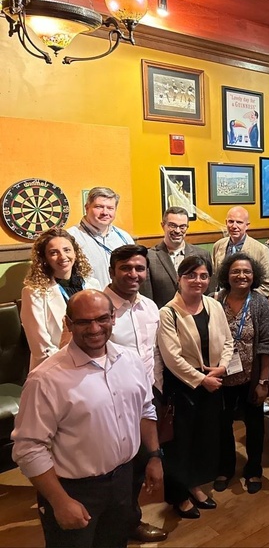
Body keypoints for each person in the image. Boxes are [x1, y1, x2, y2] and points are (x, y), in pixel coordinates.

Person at [12, 290, 161, 548]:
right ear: (68, 324)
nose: (94, 328)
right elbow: (28, 448)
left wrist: (155, 456)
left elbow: (146, 409)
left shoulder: (131, 360)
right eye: (83, 321)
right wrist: (59, 501)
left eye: (102, 318)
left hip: (124, 480)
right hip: (74, 489)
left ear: (113, 318)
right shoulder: (45, 379)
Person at [156, 256, 233, 519]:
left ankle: (195, 485)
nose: (197, 281)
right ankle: (178, 495)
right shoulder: (168, 312)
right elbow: (171, 357)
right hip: (184, 387)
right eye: (190, 275)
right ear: (179, 278)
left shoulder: (213, 305)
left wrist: (222, 367)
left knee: (204, 439)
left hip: (213, 382)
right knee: (180, 443)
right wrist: (202, 380)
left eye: (202, 276)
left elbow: (228, 341)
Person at [102, 245, 166, 543]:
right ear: (112, 270)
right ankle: (108, 527)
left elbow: (154, 353)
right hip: (111, 401)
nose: (133, 274)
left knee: (139, 465)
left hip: (148, 397)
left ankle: (130, 522)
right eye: (126, 268)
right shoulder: (99, 308)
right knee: (114, 469)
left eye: (139, 268)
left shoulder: (150, 307)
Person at [215, 253, 269, 494]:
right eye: (236, 271)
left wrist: (263, 380)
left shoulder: (260, 303)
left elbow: (268, 344)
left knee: (255, 426)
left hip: (251, 379)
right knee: (222, 425)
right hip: (221, 378)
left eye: (247, 272)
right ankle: (226, 467)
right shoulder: (216, 301)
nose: (241, 276)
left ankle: (253, 470)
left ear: (254, 276)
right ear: (226, 275)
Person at [21, 228, 100, 370]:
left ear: (75, 253)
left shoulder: (92, 284)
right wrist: (71, 364)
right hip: (55, 367)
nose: (63, 256)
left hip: (94, 361)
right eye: (53, 252)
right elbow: (40, 347)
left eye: (67, 250)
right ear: (44, 258)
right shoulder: (33, 293)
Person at [142, 207, 214, 308]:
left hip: (195, 318)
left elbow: (208, 295)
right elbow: (147, 299)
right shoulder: (149, 257)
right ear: (163, 226)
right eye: (172, 226)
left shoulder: (202, 255)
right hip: (164, 319)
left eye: (182, 226)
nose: (177, 231)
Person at [67, 187, 135, 288]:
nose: (105, 212)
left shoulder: (124, 238)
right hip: (88, 301)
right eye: (99, 207)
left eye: (110, 208)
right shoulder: (70, 238)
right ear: (87, 208)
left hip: (122, 300)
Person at [212, 206, 269, 297]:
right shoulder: (218, 246)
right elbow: (214, 280)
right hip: (221, 302)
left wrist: (243, 296)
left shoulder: (260, 250)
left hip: (248, 303)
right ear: (226, 223)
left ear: (247, 225)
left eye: (239, 222)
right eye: (231, 221)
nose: (234, 226)